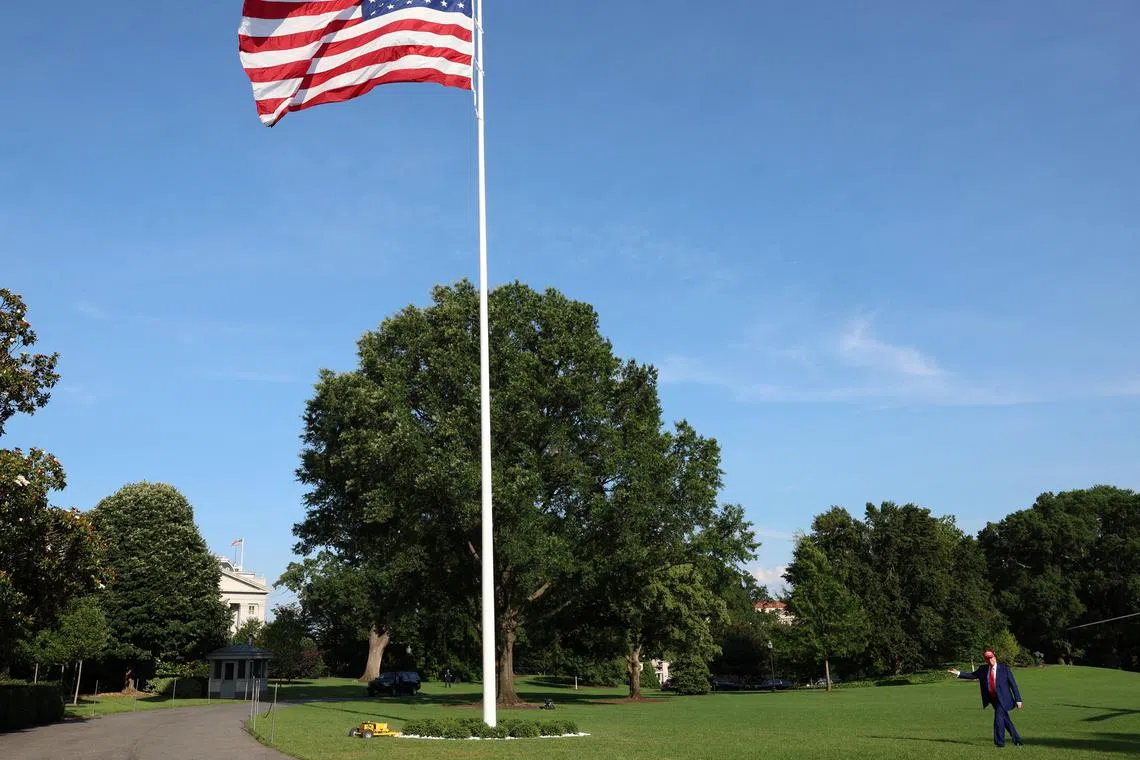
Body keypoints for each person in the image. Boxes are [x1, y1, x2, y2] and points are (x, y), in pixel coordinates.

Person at [948, 649, 1024, 747]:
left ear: (995, 657)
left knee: (998, 718)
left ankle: (1000, 743)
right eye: (987, 659)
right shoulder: (983, 669)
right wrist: (958, 673)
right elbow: (972, 675)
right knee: (1005, 719)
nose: (990, 660)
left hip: (1004, 699)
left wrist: (1018, 700)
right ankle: (1017, 740)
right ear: (985, 660)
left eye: (991, 658)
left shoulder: (1004, 669)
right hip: (993, 699)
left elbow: (1013, 685)